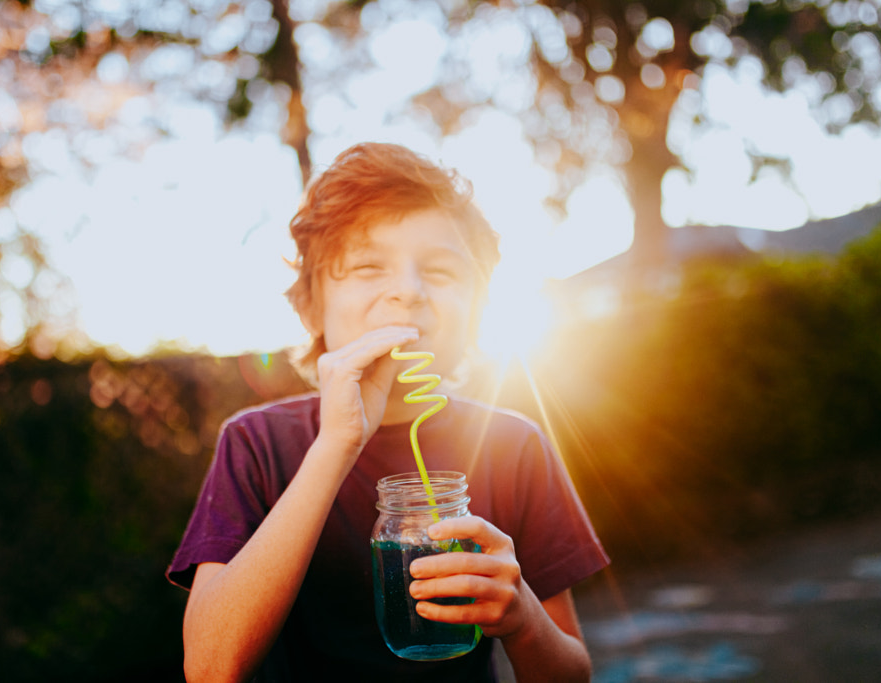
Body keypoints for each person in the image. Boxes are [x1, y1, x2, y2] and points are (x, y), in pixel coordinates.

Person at [166, 142, 609, 682]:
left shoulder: (513, 445)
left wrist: (522, 619)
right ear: (311, 306)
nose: (408, 291)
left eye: (442, 272)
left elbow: (572, 674)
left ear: (477, 310)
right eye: (369, 266)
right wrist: (336, 443)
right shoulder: (256, 443)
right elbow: (212, 669)